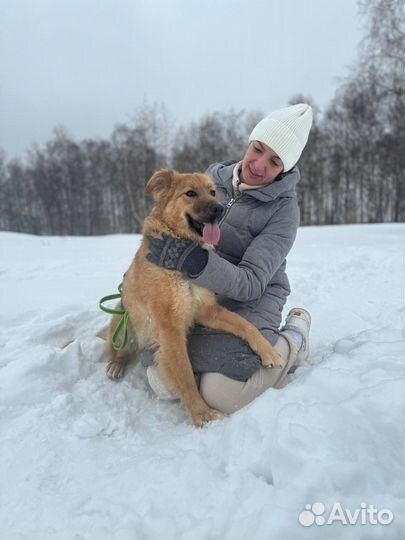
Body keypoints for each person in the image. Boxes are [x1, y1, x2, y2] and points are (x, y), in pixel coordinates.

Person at [143, 103, 313, 415]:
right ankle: (194, 365)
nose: (259, 165)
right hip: (206, 291)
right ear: (250, 142)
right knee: (151, 341)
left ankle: (292, 341)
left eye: (274, 161)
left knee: (221, 393)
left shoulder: (284, 212)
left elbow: (250, 284)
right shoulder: (212, 179)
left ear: (284, 170)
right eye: (258, 149)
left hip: (255, 297)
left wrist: (193, 262)